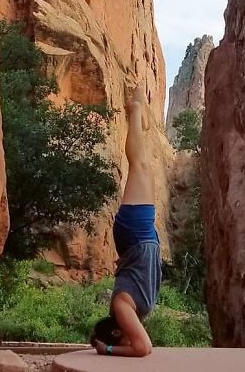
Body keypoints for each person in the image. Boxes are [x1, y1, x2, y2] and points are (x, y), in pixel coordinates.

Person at [90, 85, 161, 358]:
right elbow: (137, 344)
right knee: (145, 169)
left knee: (139, 166)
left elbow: (143, 349)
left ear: (118, 331)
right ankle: (139, 114)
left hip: (134, 236)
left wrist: (106, 349)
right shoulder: (130, 310)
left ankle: (134, 109)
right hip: (144, 240)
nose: (134, 336)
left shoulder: (122, 307)